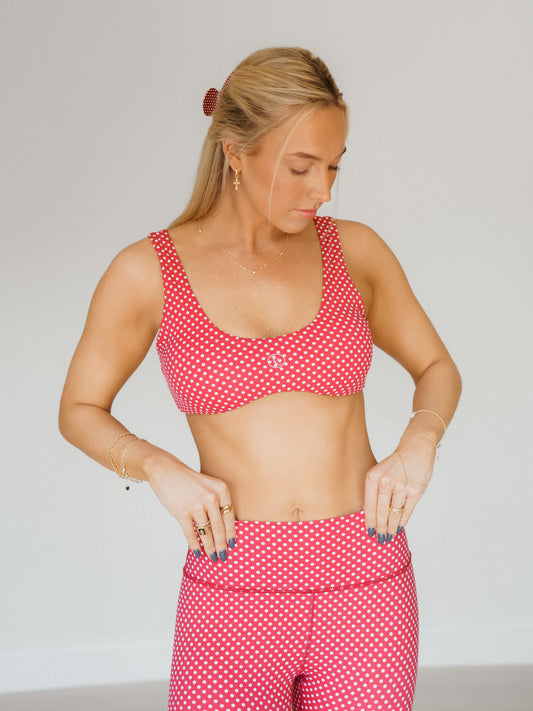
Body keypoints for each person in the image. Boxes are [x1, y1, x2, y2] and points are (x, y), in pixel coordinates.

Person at [59, 47, 461, 711]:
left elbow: (436, 366)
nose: (322, 190)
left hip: (368, 574)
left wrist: (420, 439)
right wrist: (158, 466)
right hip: (233, 581)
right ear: (234, 152)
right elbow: (79, 408)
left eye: (333, 166)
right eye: (301, 167)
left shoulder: (355, 250)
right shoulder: (146, 272)